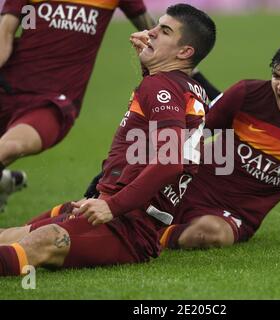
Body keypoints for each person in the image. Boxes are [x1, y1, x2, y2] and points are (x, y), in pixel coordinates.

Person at [0, 3, 216, 277]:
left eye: (163, 31)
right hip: (119, 212)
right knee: (11, 235)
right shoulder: (189, 88)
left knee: (47, 240)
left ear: (185, 51)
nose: (149, 33)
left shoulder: (160, 86)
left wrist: (110, 206)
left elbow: (170, 160)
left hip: (127, 227)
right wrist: (150, 66)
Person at [158, 39, 280, 249]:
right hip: (184, 188)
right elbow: (191, 135)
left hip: (232, 216)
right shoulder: (246, 93)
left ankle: (151, 237)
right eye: (276, 76)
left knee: (211, 233)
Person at [0, 0, 156, 211]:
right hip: (8, 86)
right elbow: (5, 33)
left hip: (54, 103)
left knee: (9, 147)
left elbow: (159, 38)